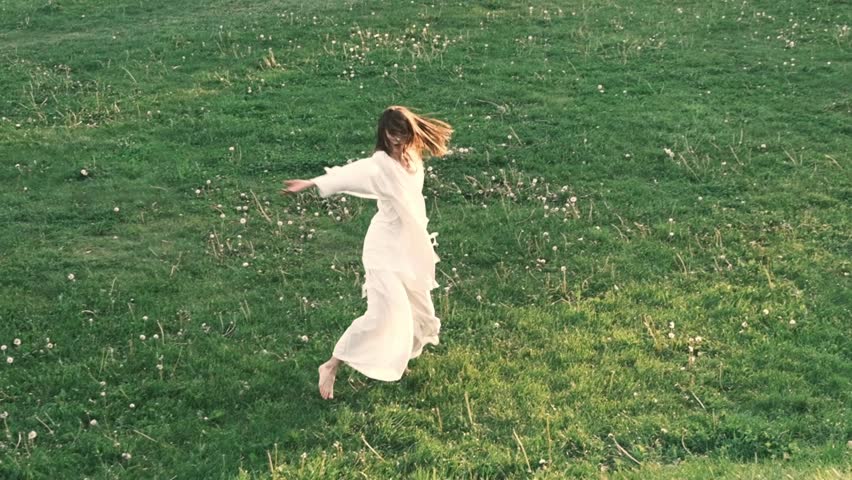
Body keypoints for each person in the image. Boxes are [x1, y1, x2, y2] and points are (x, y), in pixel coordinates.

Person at [281, 106, 453, 400]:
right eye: (392, 134)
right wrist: (313, 183)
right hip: (383, 249)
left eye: (402, 134)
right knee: (383, 314)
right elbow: (351, 174)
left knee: (419, 311)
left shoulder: (413, 158)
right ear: (384, 134)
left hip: (409, 248)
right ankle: (331, 365)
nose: (397, 140)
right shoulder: (379, 165)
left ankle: (397, 358)